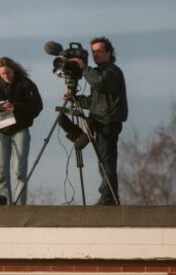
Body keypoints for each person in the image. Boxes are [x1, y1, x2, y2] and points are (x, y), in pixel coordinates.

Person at [65, 36, 128, 205]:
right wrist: (74, 98)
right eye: (93, 52)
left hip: (108, 122)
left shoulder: (112, 72)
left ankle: (108, 199)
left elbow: (100, 84)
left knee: (106, 163)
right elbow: (94, 101)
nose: (96, 55)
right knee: (103, 162)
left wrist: (84, 68)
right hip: (100, 120)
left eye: (100, 51)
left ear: (109, 52)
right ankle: (108, 197)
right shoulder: (100, 73)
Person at [0, 57, 43, 205]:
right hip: (1, 131)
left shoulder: (26, 84)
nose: (6, 76)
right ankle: (4, 203)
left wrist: (17, 108)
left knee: (20, 170)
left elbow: (37, 106)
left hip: (21, 129)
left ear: (14, 70)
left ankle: (21, 205)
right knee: (1, 171)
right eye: (2, 74)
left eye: (8, 72)